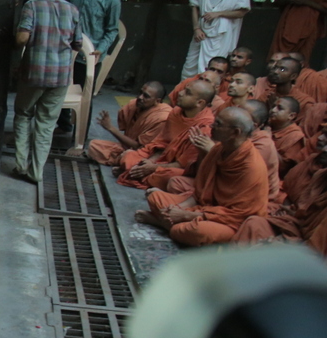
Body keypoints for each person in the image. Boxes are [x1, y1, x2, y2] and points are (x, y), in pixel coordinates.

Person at [136, 107, 268, 247]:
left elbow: (239, 216)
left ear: (235, 132)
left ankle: (165, 223)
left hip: (231, 223)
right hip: (206, 208)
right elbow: (200, 194)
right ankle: (170, 222)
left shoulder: (251, 167)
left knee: (193, 231)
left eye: (218, 124)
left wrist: (186, 215)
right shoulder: (219, 149)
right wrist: (177, 208)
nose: (211, 126)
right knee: (156, 197)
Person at [12, 0, 82, 183]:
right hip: (60, 76)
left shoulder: (32, 6)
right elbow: (78, 43)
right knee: (46, 123)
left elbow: (22, 38)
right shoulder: (72, 9)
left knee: (23, 114)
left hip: (34, 73)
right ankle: (36, 172)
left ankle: (21, 166)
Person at [117, 80, 216, 190]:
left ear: (200, 103)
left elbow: (183, 165)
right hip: (161, 161)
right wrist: (150, 161)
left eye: (187, 93)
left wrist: (153, 168)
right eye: (184, 89)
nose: (180, 93)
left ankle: (135, 173)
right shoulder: (176, 112)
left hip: (176, 168)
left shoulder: (204, 128)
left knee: (170, 177)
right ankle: (139, 173)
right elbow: (162, 144)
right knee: (128, 157)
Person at [233, 133, 327, 246]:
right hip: (295, 225)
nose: (320, 139)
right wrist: (288, 213)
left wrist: (283, 244)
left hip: (306, 248)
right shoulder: (320, 176)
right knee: (254, 223)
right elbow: (302, 211)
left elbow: (316, 248)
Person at [63, 0, 121, 88]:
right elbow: (63, 16)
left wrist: (100, 49)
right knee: (61, 95)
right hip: (66, 52)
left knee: (84, 96)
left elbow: (112, 30)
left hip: (89, 56)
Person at [87, 82, 170, 167]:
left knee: (128, 155)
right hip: (128, 148)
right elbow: (127, 135)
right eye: (140, 92)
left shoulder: (161, 119)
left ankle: (127, 163)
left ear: (157, 101)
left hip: (146, 155)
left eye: (146, 96)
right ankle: (124, 162)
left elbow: (140, 147)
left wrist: (111, 128)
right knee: (94, 145)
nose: (140, 97)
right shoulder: (134, 105)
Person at [269, 96, 308, 177]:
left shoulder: (295, 136)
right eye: (273, 106)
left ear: (291, 116)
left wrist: (267, 141)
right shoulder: (267, 125)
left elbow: (283, 169)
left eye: (279, 108)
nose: (273, 110)